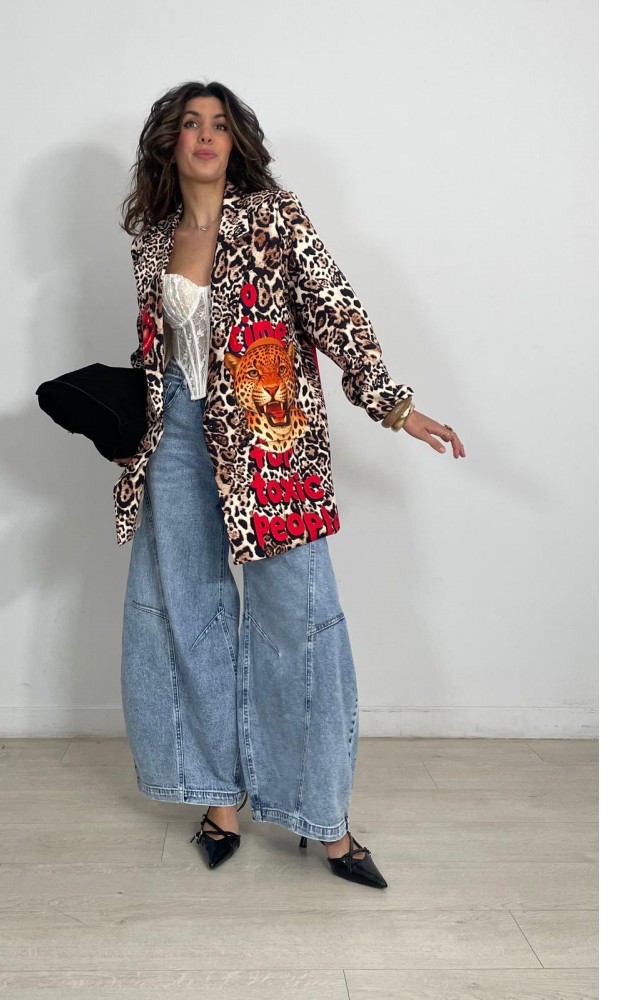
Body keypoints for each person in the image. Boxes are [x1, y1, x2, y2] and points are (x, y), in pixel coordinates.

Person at [113, 81, 465, 887]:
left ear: (236, 142)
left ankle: (325, 821)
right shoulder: (152, 239)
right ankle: (219, 801)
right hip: (174, 436)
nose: (206, 135)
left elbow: (335, 308)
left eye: (219, 124)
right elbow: (155, 349)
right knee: (189, 613)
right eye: (191, 124)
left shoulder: (275, 216)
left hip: (270, 439)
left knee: (297, 619)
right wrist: (126, 419)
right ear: (171, 142)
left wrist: (394, 405)